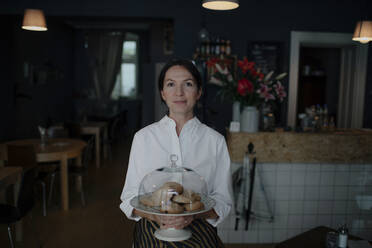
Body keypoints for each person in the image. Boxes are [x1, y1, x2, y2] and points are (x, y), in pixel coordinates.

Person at [120, 59, 233, 247]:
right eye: (171, 84)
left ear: (199, 92)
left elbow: (224, 202)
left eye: (188, 84)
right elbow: (129, 197)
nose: (179, 92)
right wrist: (155, 215)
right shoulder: (143, 138)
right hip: (151, 228)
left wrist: (193, 215)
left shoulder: (215, 141)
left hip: (200, 229)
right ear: (163, 93)